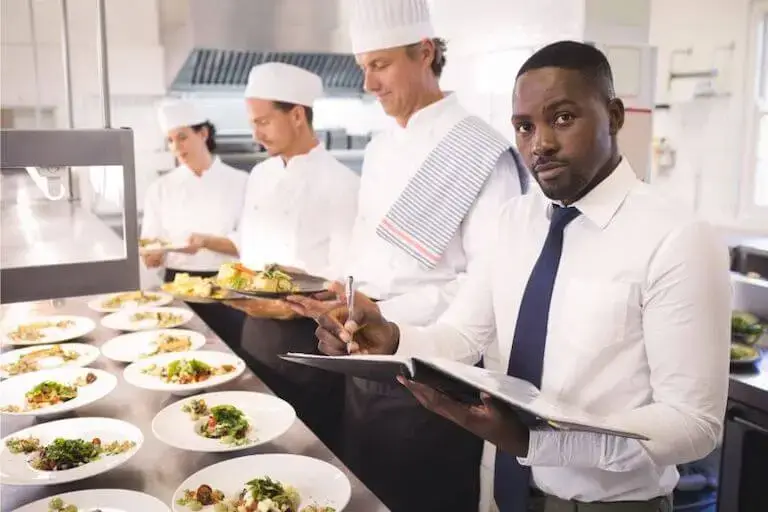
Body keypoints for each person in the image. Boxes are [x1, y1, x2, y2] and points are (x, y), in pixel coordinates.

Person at [290, 41, 731, 512]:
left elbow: (695, 424)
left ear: (615, 116)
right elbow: (463, 334)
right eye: (524, 127)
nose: (539, 143)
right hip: (502, 490)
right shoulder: (515, 221)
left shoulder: (677, 236)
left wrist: (537, 442)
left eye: (562, 117)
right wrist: (391, 337)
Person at [288, 1, 527, 510]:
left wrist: (389, 319)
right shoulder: (378, 149)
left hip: (432, 382)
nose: (369, 83)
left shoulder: (480, 150)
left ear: (424, 52)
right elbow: (365, 256)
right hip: (364, 367)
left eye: (380, 64)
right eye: (362, 68)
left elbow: (490, 289)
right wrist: (341, 299)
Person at [196, 62, 359, 453]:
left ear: (298, 115)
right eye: (253, 123)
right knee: (255, 441)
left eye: (264, 121)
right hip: (253, 332)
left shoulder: (342, 183)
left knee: (307, 448)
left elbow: (346, 277)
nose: (256, 133)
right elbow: (250, 256)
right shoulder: (260, 175)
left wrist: (288, 306)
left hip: (309, 342)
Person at [141, 99, 248, 348]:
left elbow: (250, 244)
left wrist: (204, 241)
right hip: (178, 289)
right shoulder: (160, 189)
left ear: (203, 133)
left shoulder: (240, 182)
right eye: (170, 140)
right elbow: (150, 248)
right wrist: (153, 255)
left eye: (182, 137)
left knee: (232, 360)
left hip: (229, 290)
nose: (176, 147)